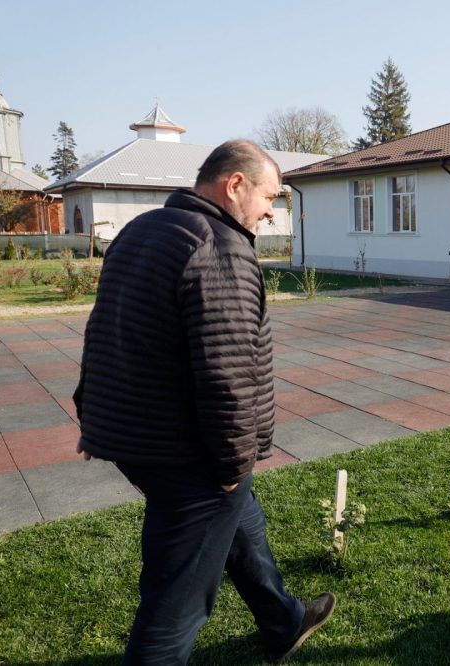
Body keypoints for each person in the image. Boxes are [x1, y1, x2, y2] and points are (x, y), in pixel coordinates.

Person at [73, 139, 334, 664]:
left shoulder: (142, 230)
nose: (271, 210)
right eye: (270, 196)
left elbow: (101, 332)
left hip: (137, 438)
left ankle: (284, 621)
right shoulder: (219, 246)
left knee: (241, 522)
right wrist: (233, 464)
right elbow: (228, 374)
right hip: (186, 451)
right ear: (235, 184)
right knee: (176, 598)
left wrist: (91, 414)